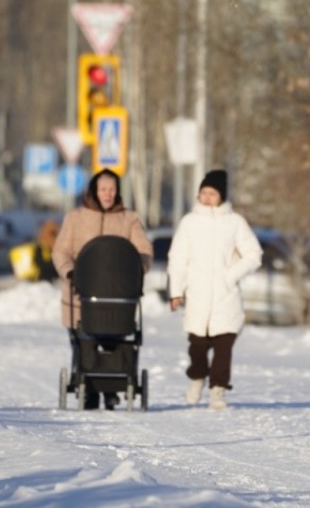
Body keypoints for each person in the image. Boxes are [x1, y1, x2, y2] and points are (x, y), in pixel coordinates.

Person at [52, 168, 153, 410]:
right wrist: (70, 271)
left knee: (116, 341)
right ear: (94, 191)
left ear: (117, 192)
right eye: (103, 190)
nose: (107, 195)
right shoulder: (75, 217)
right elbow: (61, 250)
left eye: (112, 190)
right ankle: (89, 390)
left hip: (118, 296)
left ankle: (111, 389)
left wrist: (134, 270)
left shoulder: (129, 219)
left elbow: (144, 252)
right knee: (84, 342)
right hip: (81, 294)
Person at [167, 169, 263, 411]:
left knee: (224, 346)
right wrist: (176, 291)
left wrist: (230, 276)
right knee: (197, 346)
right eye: (203, 193)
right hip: (197, 296)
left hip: (225, 298)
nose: (207, 197)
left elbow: (254, 255)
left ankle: (218, 390)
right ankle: (197, 378)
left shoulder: (235, 222)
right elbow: (177, 258)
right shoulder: (189, 222)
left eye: (212, 193)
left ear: (221, 196)